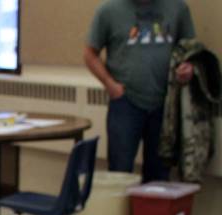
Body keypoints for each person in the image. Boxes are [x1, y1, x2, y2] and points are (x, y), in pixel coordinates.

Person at [84, 0, 197, 182]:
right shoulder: (109, 10)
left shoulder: (178, 8)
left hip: (164, 103)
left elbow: (191, 50)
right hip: (125, 101)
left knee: (159, 174)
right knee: (120, 172)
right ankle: (121, 211)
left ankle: (152, 211)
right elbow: (90, 54)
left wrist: (188, 67)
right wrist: (109, 84)